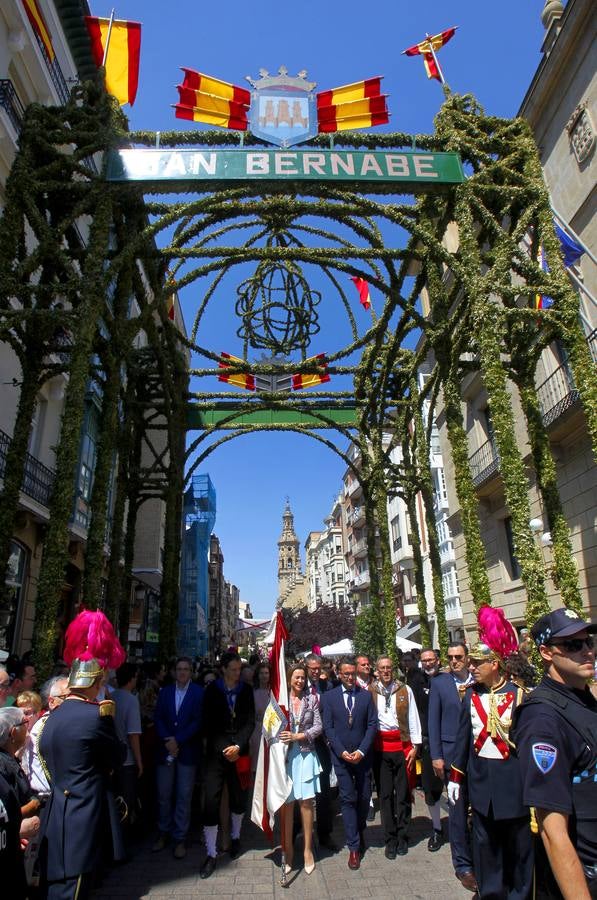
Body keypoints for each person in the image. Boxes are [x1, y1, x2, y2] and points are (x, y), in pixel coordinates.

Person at [38, 609, 127, 900]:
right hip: (82, 820)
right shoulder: (96, 717)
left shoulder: (51, 717)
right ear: (95, 683)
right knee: (74, 891)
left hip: (56, 818)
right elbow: (116, 756)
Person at [448, 606, 533, 900]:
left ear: (494, 664)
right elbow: (462, 740)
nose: (472, 667)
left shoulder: (520, 695)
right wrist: (455, 778)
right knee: (486, 850)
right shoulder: (470, 695)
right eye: (471, 662)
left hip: (513, 786)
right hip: (481, 786)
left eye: (478, 663)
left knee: (519, 851)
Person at [512, 607, 597, 899]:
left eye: (588, 642)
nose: (587, 651)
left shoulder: (584, 699)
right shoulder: (542, 719)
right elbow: (553, 832)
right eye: (572, 645)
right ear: (547, 653)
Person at [200, 650, 255, 879]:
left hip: (240, 752)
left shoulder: (246, 690)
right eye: (233, 669)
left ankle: (235, 837)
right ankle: (211, 852)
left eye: (239, 669)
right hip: (217, 753)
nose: (237, 673)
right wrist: (226, 747)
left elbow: (250, 721)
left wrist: (238, 746)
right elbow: (208, 723)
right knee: (211, 801)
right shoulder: (212, 691)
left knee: (239, 797)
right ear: (223, 669)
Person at [428, 640, 477, 892]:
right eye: (450, 657)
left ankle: (480, 856)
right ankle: (463, 865)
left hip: (477, 757)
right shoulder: (440, 683)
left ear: (467, 658)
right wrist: (436, 755)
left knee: (478, 810)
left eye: (458, 657)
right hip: (450, 756)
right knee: (457, 811)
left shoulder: (477, 681)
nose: (454, 661)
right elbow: (433, 721)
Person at [321, 655, 378, 871]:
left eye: (352, 674)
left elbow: (372, 724)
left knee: (363, 797)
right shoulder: (329, 697)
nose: (350, 677)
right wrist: (341, 751)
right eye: (346, 674)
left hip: (363, 756)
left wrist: (362, 750)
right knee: (347, 798)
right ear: (339, 674)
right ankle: (353, 846)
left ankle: (359, 829)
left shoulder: (365, 696)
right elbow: (328, 727)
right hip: (341, 757)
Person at [370, 654, 421, 858]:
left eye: (388, 667)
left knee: (403, 794)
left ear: (393, 669)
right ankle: (389, 838)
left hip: (402, 747)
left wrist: (415, 746)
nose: (385, 671)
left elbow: (413, 718)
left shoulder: (404, 689)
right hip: (381, 749)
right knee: (385, 795)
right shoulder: (370, 692)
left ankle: (403, 835)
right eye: (382, 668)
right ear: (377, 670)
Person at [153, 656, 203, 859]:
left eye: (186, 669)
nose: (182, 672)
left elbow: (197, 721)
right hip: (166, 749)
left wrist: (178, 740)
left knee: (184, 795)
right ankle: (163, 831)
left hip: (187, 750)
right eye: (179, 669)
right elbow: (158, 718)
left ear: (191, 672)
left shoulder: (198, 692)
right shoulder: (165, 692)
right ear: (174, 671)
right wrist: (168, 739)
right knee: (164, 795)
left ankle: (180, 837)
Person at [279, 663, 322, 875]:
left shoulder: (311, 699)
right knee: (287, 805)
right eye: (296, 677)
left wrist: (299, 736)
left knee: (306, 803)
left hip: (305, 755)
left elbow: (318, 726)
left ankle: (307, 850)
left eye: (303, 678)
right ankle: (288, 851)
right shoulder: (281, 701)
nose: (300, 681)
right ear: (289, 678)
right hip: (285, 757)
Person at [407, 647, 445, 851]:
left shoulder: (448, 680)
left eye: (431, 659)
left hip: (449, 742)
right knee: (431, 788)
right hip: (428, 742)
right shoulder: (416, 682)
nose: (428, 663)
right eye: (425, 660)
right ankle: (437, 828)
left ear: (438, 660)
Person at [304, 652, 336, 851]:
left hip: (322, 744)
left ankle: (325, 833)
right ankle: (299, 830)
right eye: (313, 669)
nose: (316, 672)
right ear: (306, 667)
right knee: (304, 790)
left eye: (319, 669)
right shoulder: (298, 685)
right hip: (303, 744)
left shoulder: (327, 686)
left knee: (324, 791)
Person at [111, 663, 143, 833]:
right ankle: (122, 838)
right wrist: (139, 761)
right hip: (127, 759)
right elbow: (133, 734)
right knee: (126, 802)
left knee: (115, 801)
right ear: (132, 679)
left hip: (112, 758)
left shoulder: (111, 697)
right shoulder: (131, 700)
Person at [250, 662, 270, 773]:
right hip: (257, 730)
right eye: (261, 673)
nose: (264, 676)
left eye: (266, 673)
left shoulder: (274, 692)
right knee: (257, 762)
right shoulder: (253, 693)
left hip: (272, 731)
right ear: (257, 675)